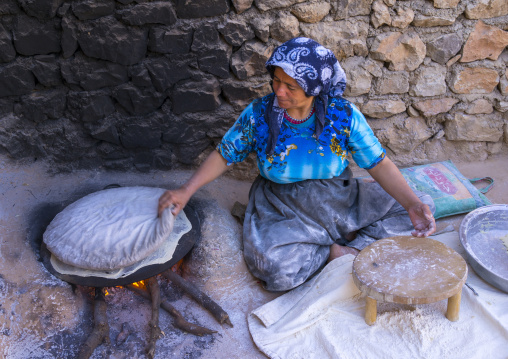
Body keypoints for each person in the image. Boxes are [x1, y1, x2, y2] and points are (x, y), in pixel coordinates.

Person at [158, 37, 436, 291]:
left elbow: (378, 163)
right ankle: (333, 252)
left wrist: (411, 204)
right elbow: (225, 154)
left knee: (421, 205)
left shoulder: (343, 116)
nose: (279, 91)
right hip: (281, 204)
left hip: (337, 196)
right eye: (276, 80)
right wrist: (186, 190)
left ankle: (349, 243)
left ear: (315, 88)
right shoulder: (259, 115)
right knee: (275, 269)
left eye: (290, 86)